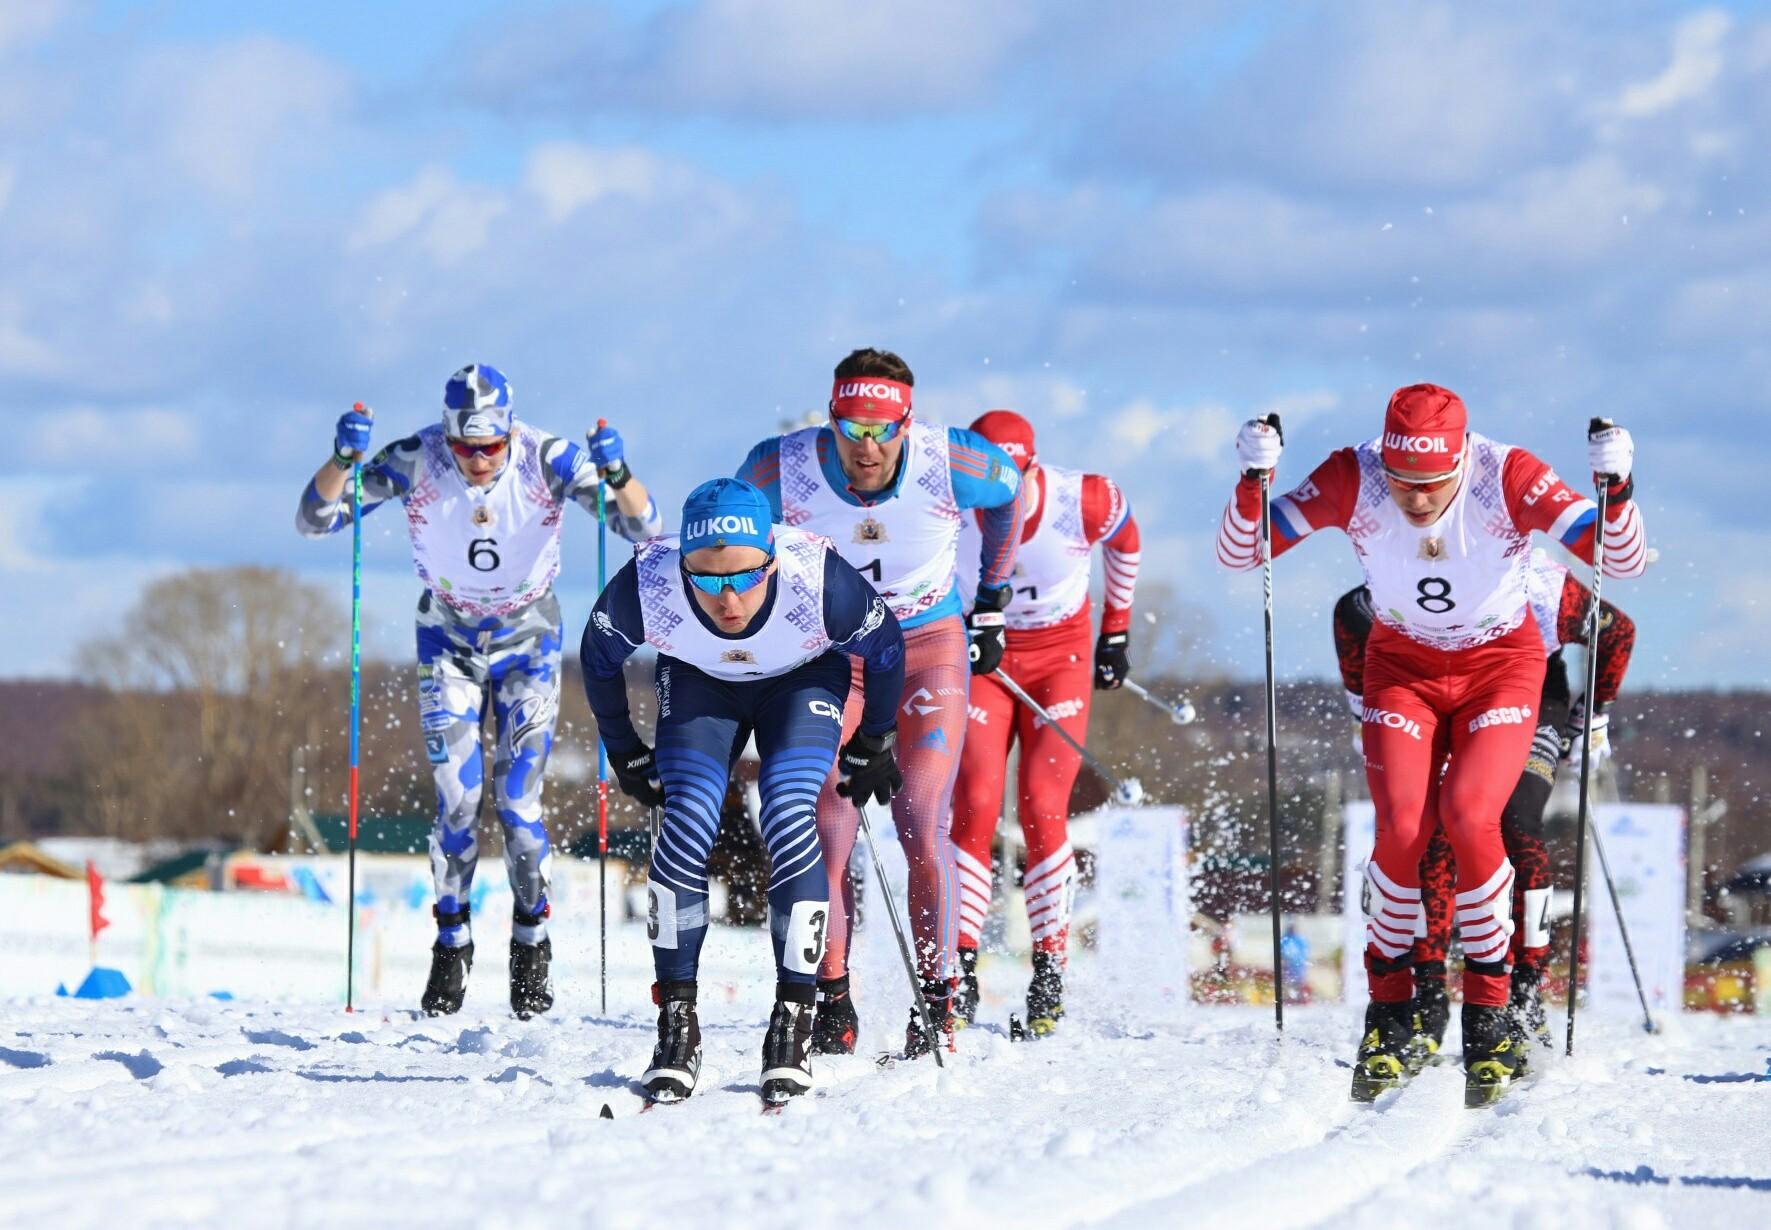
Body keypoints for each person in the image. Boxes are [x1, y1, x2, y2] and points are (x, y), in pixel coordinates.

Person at [1218, 384, 1646, 1103]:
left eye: (1431, 484)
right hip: (1403, 665)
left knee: (1474, 816)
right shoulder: (1353, 475)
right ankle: (1389, 1012)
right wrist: (1251, 481)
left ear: (1459, 460)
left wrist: (1619, 489)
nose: (1415, 500)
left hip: (1500, 668)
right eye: (1402, 483)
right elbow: (1243, 551)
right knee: (1402, 830)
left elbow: (1620, 562)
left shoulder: (1503, 474)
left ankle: (1489, 1013)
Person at [297, 364, 662, 1018]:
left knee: (517, 803)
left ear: (509, 432)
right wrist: (341, 460)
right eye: (463, 446)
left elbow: (642, 528)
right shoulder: (416, 457)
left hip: (528, 639)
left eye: (489, 447)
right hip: (448, 638)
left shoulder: (546, 458)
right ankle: (451, 941)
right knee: (459, 802)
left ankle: (531, 939)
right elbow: (316, 519)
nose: (474, 460)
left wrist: (618, 473)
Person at [736, 348, 1025, 1058]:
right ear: (830, 417)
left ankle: (938, 993)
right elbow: (730, 541)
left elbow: (1009, 495)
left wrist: (990, 599)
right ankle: (830, 995)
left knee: (920, 816)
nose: (865, 448)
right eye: (849, 429)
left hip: (928, 644)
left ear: (906, 422)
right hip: (835, 657)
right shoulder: (780, 467)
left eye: (882, 430)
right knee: (821, 829)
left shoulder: (953, 461)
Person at [581, 478, 906, 1103]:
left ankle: (793, 1016)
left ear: (772, 559)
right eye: (704, 580)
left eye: (744, 577)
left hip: (802, 678)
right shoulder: (646, 582)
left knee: (787, 808)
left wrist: (877, 740)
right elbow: (597, 659)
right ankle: (676, 1022)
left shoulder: (820, 579)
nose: (727, 598)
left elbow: (887, 649)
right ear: (683, 566)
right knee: (689, 815)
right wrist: (622, 746)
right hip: (703, 684)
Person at [1333, 553, 1638, 1068]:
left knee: (1512, 823)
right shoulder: (1399, 570)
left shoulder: (1541, 585)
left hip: (1527, 692)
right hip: (1429, 692)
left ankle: (1523, 990)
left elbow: (1618, 631)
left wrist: (1596, 712)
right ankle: (1427, 994)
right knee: (1427, 830)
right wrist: (1363, 700)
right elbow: (1349, 615)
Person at [947, 409, 1141, 1036]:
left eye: (1013, 475)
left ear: (1032, 466)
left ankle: (1049, 969)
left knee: (1041, 805)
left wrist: (1115, 632)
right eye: (987, 477)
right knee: (974, 802)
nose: (999, 490)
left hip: (1059, 654)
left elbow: (1127, 539)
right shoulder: (949, 500)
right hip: (984, 657)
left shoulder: (1080, 497)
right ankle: (958, 969)